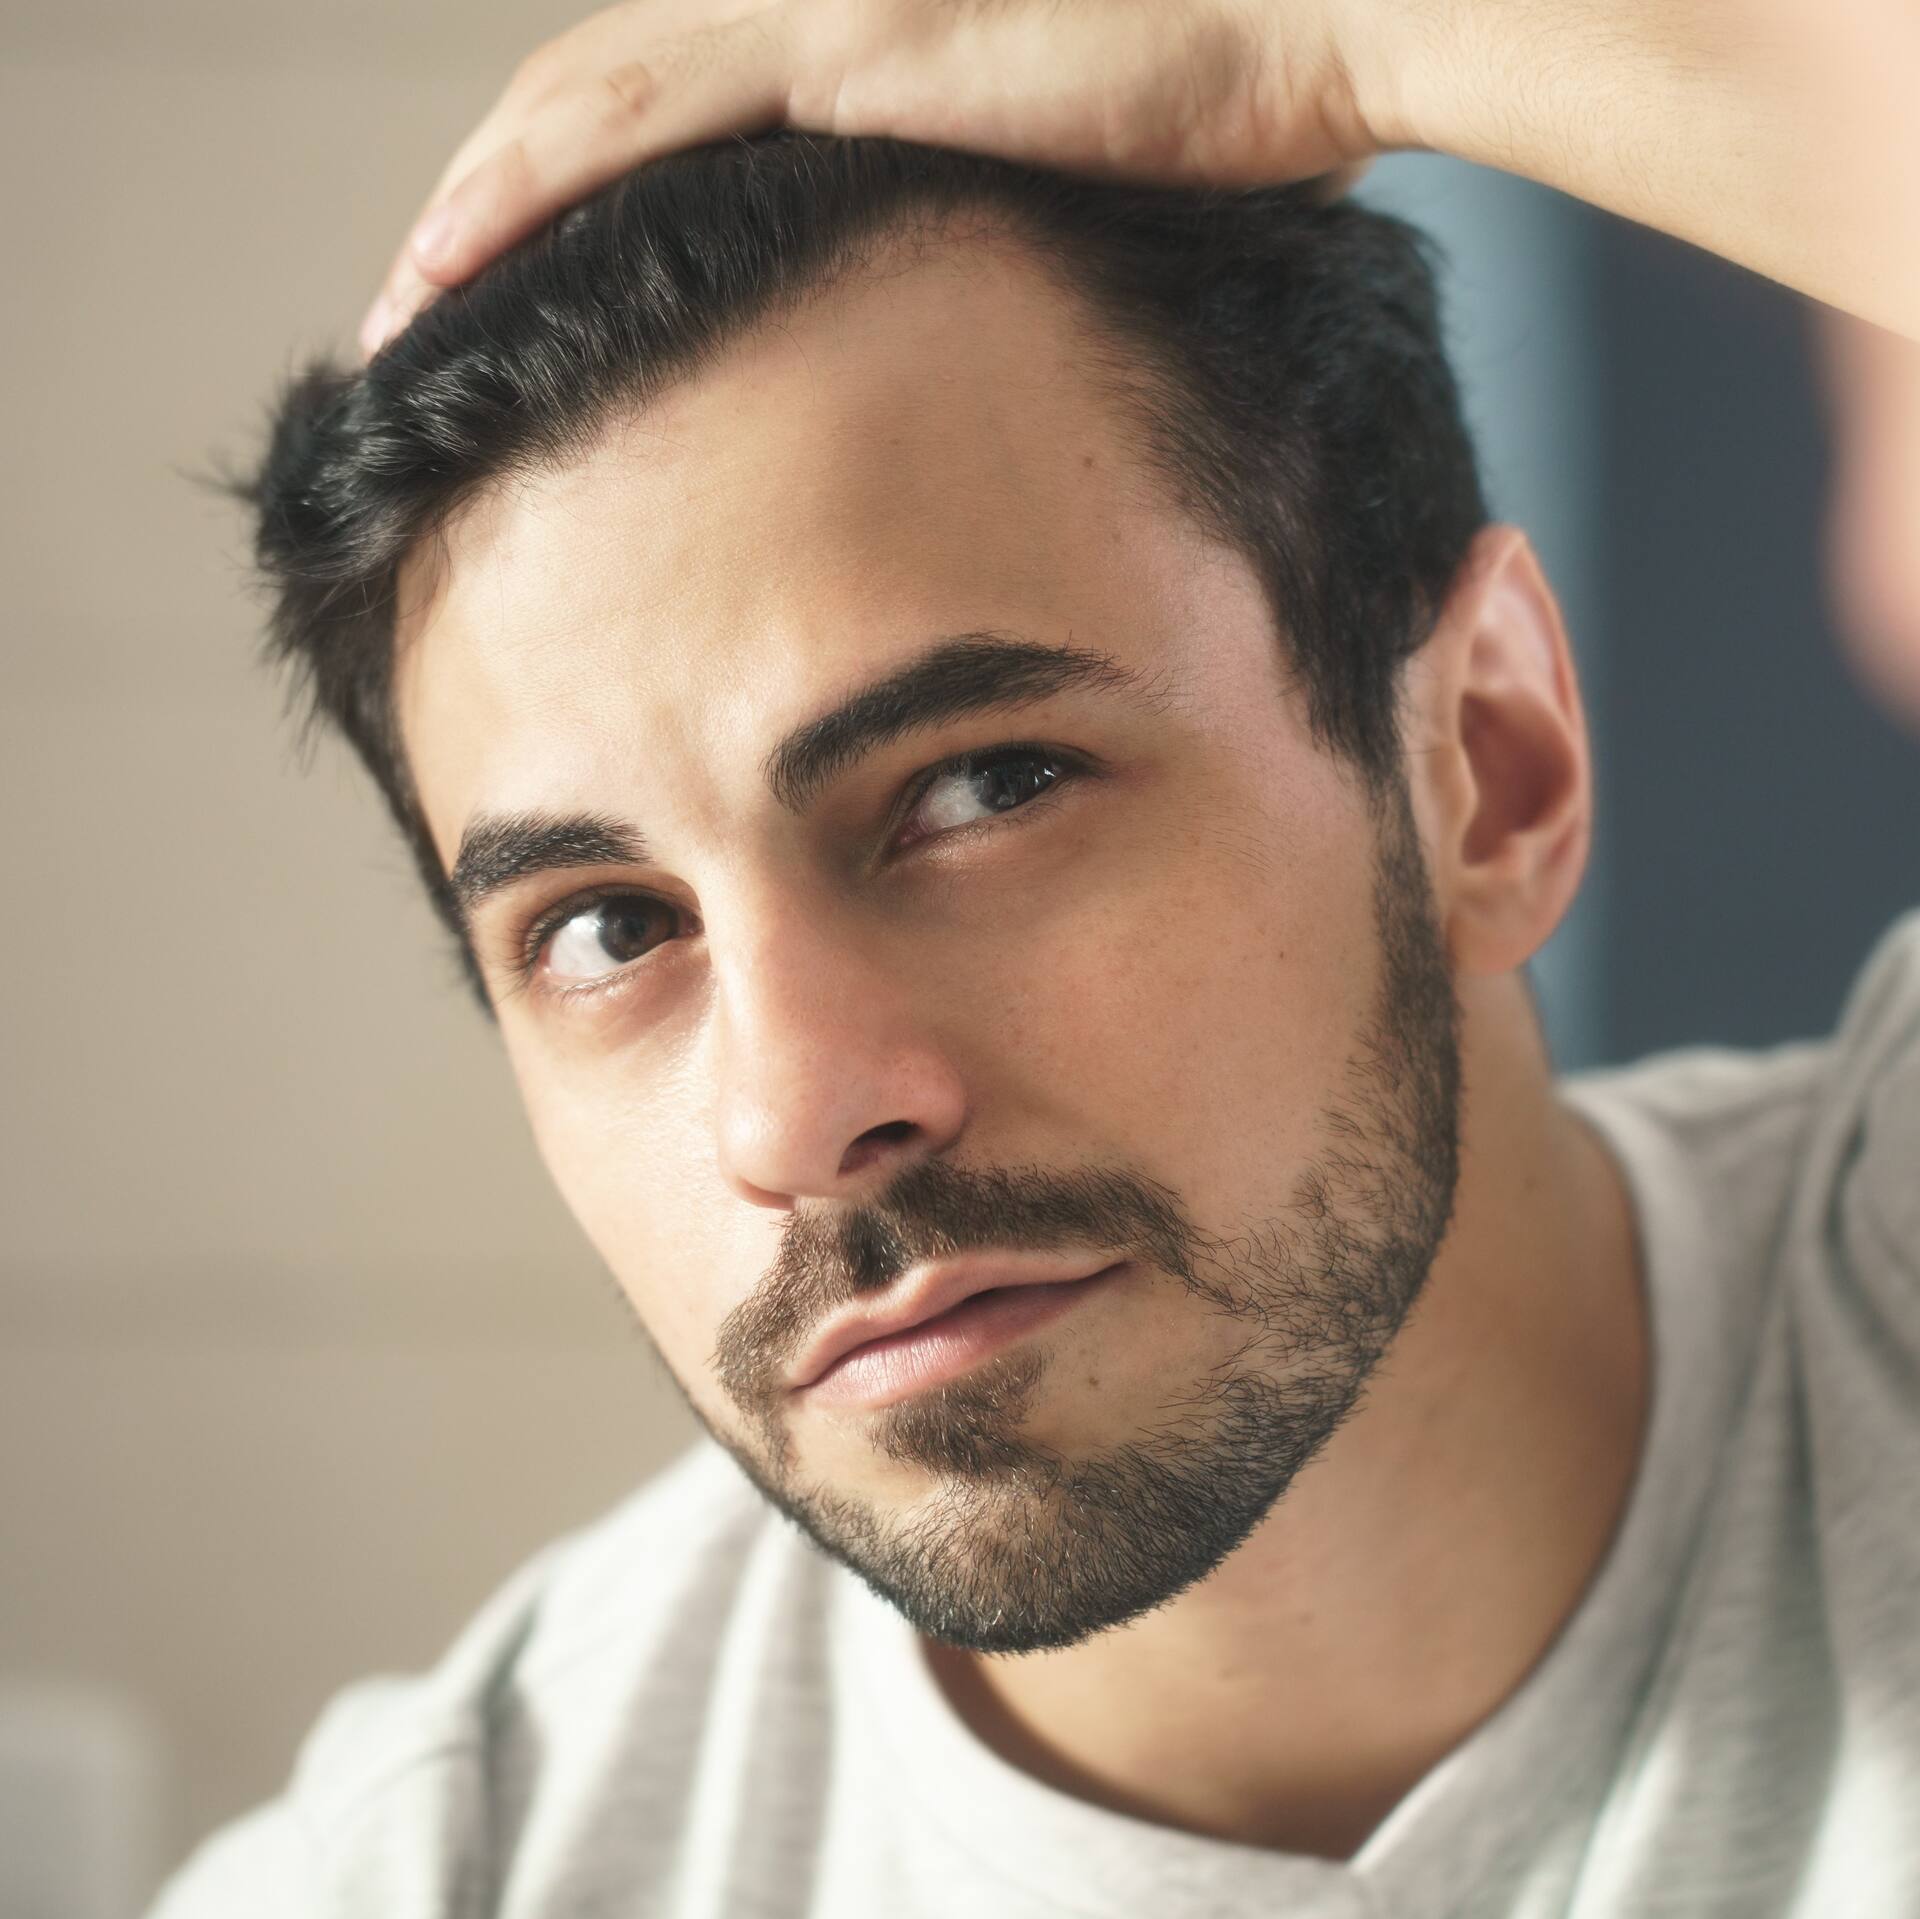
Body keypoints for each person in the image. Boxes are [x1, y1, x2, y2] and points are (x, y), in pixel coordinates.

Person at [155, 2, 1919, 1913]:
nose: (797, 1110)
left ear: (1486, 766)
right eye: (605, 927)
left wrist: (1327, 44)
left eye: (983, 787)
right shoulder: (452, 1871)